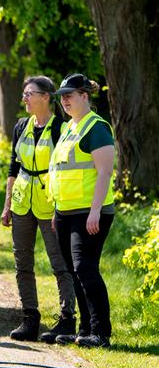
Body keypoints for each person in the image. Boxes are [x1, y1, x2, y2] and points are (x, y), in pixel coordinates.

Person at [1, 76, 77, 342]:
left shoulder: (61, 128)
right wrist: (7, 203)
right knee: (23, 263)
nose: (25, 98)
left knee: (60, 262)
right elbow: (14, 166)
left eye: (29, 93)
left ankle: (67, 319)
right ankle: (30, 319)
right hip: (22, 202)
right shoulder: (21, 125)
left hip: (51, 205)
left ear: (46, 97)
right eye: (24, 94)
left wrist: (63, 206)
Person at [48, 73, 115, 348]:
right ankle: (84, 330)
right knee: (74, 270)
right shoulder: (68, 128)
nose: (65, 100)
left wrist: (96, 211)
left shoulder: (96, 128)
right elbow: (60, 172)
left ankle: (101, 332)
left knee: (85, 268)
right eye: (62, 96)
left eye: (70, 95)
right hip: (65, 211)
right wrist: (56, 209)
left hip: (89, 212)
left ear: (85, 96)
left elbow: (105, 172)